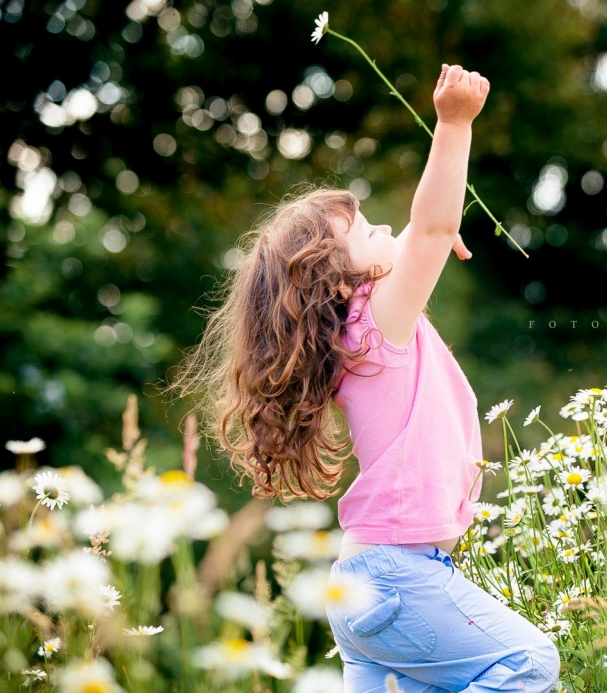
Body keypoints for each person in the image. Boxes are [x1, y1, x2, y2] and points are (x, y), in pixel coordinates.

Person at [173, 64, 560, 692]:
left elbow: (426, 230)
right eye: (366, 229)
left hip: (364, 578)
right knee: (529, 663)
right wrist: (454, 124)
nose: (386, 230)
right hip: (398, 575)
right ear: (338, 277)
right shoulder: (378, 325)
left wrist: (433, 227)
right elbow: (429, 230)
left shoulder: (355, 336)